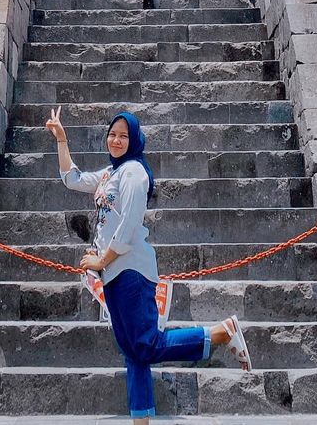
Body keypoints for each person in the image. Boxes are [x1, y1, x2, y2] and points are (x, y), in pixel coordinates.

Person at [46, 106, 251, 423]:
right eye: (112, 135)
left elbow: (128, 225)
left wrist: (101, 259)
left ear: (135, 139)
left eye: (123, 136)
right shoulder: (111, 173)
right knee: (133, 349)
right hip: (114, 273)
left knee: (145, 345)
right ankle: (141, 417)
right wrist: (61, 140)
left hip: (131, 271)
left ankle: (220, 333)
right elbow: (72, 179)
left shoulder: (134, 174)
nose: (116, 140)